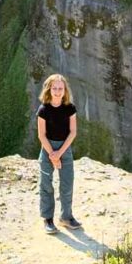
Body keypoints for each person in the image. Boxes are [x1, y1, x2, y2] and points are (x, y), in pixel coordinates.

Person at [36, 73, 81, 234]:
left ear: (65, 90)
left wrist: (59, 153)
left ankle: (66, 217)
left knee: (67, 184)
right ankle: (48, 219)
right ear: (49, 89)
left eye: (60, 88)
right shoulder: (43, 109)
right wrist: (52, 155)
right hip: (47, 148)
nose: (57, 91)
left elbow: (73, 132)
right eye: (54, 88)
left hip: (65, 148)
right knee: (46, 184)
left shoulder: (70, 108)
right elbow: (41, 135)